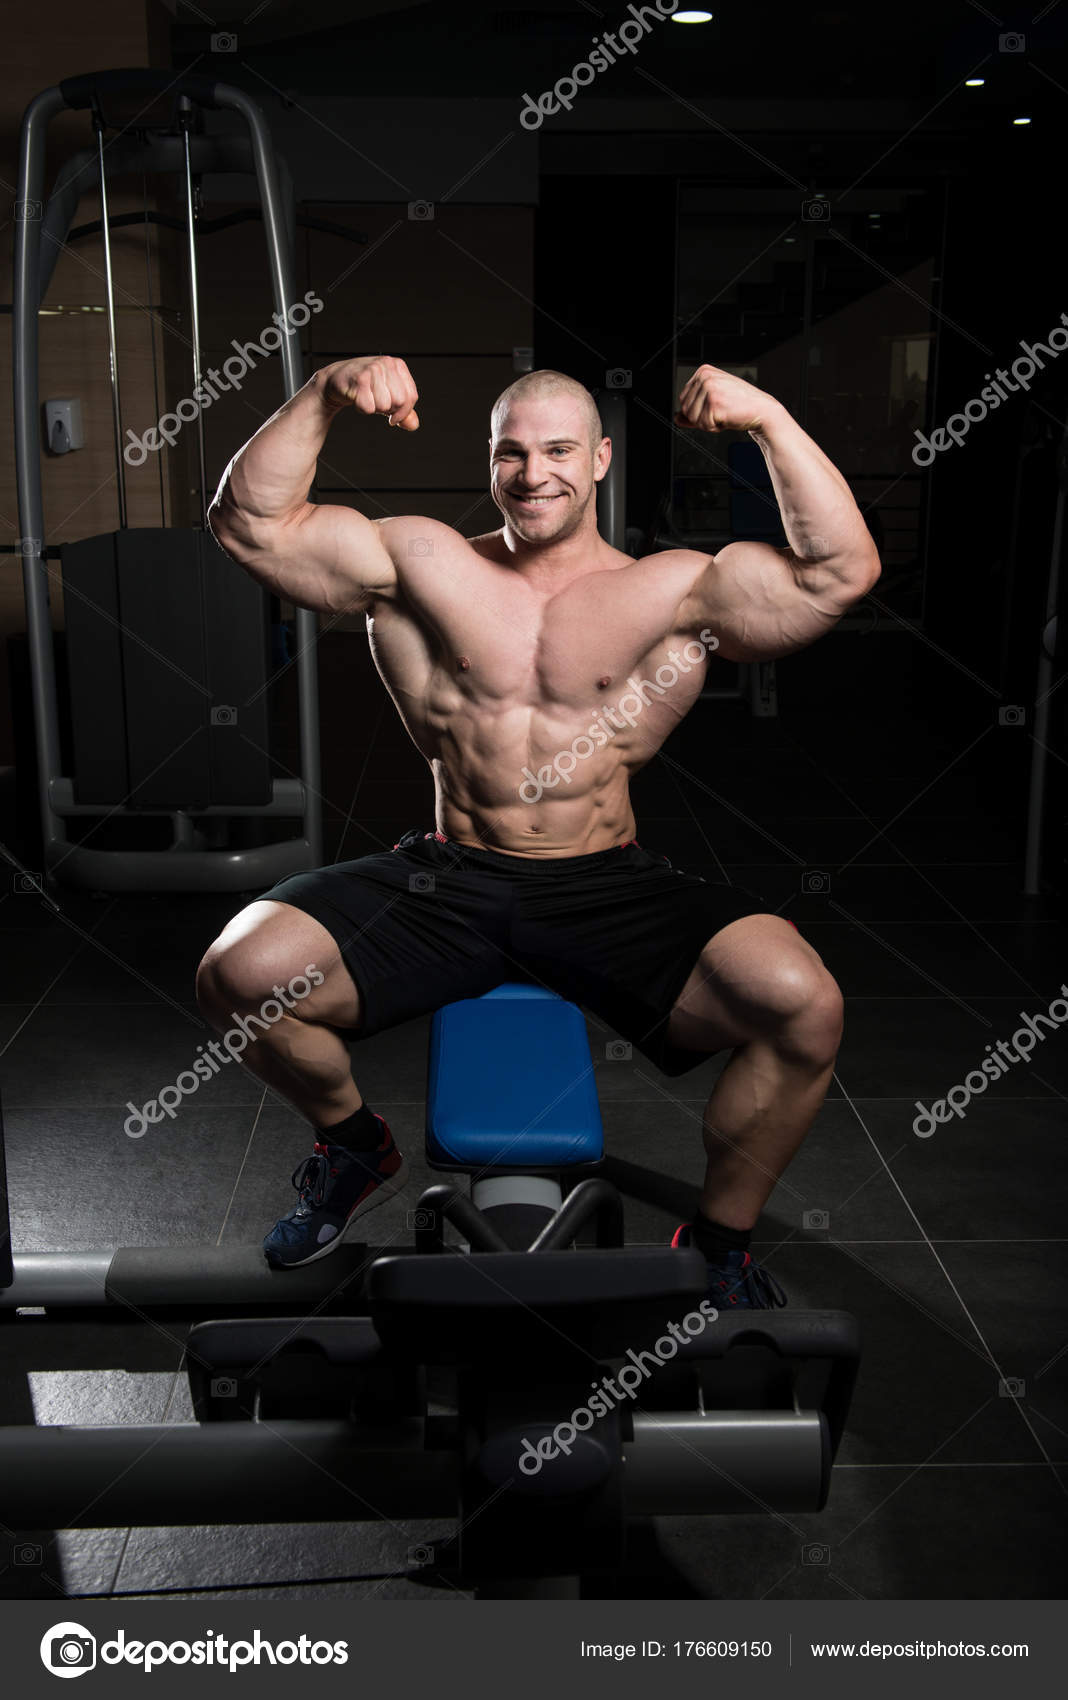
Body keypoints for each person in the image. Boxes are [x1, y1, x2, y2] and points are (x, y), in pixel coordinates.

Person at [199, 359, 879, 1305]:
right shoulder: (420, 564)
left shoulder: (674, 590)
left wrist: (767, 417)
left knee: (804, 1003)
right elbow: (249, 524)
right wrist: (321, 392)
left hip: (608, 882)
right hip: (449, 878)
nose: (533, 473)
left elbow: (840, 573)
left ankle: (720, 1239)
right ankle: (356, 1148)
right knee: (240, 975)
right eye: (510, 452)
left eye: (559, 449)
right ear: (489, 461)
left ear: (599, 459)